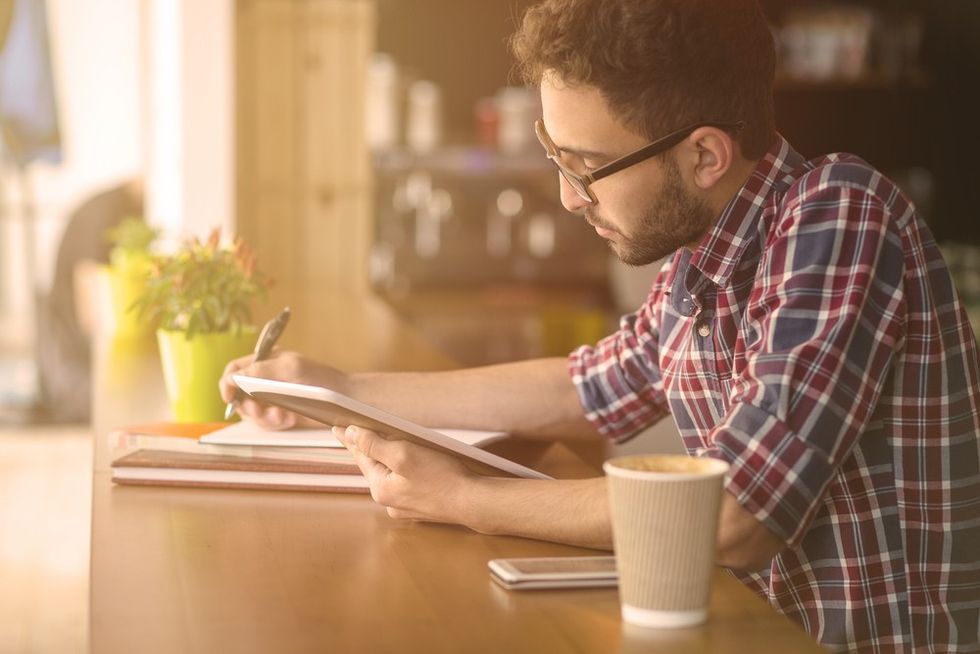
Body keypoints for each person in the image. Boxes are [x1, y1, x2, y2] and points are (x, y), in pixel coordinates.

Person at [220, 1, 980, 650]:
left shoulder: (839, 216)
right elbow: (581, 389)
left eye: (585, 165)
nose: (568, 197)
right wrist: (335, 390)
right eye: (556, 155)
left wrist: (464, 499)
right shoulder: (699, 259)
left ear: (705, 155)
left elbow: (733, 516)